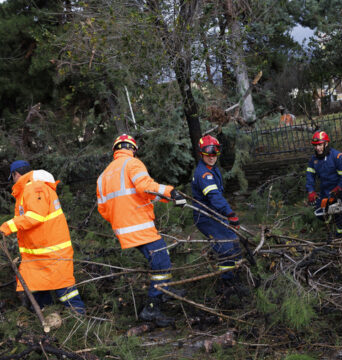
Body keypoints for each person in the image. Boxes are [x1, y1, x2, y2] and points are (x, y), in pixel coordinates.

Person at [96, 134, 185, 327]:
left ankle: (164, 291)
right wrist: (171, 193)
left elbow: (102, 209)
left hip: (123, 229)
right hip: (139, 225)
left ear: (115, 150)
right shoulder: (132, 164)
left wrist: (121, 220)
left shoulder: (103, 176)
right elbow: (145, 187)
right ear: (133, 149)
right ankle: (152, 308)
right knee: (161, 262)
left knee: (161, 258)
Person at [0, 160, 85, 314]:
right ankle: (47, 315)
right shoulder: (31, 188)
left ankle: (79, 318)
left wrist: (9, 225)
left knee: (64, 288)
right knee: (37, 285)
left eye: (12, 177)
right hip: (39, 252)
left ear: (16, 174)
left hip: (51, 251)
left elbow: (36, 216)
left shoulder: (34, 188)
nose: (12, 181)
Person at [190, 135, 247, 297]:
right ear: (202, 154)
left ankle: (235, 276)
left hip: (216, 214)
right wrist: (230, 213)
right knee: (226, 247)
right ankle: (226, 284)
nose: (212, 157)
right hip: (206, 217)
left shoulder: (212, 169)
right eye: (208, 154)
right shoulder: (203, 174)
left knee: (234, 243)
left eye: (214, 154)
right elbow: (215, 197)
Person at [306, 130, 342, 242]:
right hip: (325, 190)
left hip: (340, 190)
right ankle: (329, 229)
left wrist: (339, 188)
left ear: (326, 144)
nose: (317, 148)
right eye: (315, 146)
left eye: (320, 145)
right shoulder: (313, 160)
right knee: (320, 212)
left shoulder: (337, 157)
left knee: (339, 214)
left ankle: (341, 235)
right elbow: (310, 176)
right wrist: (311, 191)